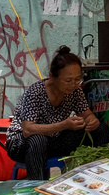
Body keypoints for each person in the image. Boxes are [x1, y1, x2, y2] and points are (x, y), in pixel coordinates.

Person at [6, 47, 101, 180]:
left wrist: (92, 121)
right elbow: (28, 130)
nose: (73, 84)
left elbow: (87, 114)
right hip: (22, 145)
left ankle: (97, 179)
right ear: (52, 76)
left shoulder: (75, 91)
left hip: (54, 140)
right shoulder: (36, 93)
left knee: (100, 130)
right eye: (68, 81)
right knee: (38, 140)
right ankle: (36, 188)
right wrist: (64, 125)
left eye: (77, 79)